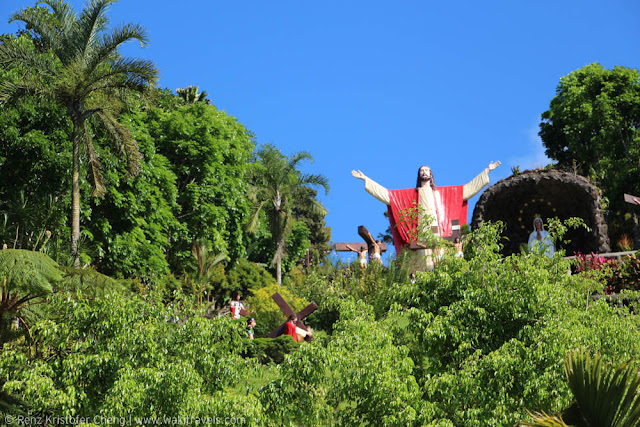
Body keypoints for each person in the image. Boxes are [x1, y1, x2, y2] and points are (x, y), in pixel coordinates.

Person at [352, 162, 500, 268]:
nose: (424, 172)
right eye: (422, 170)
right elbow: (388, 196)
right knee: (423, 255)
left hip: (438, 226)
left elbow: (467, 190)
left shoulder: (444, 194)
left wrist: (486, 171)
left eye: (427, 170)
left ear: (431, 174)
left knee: (438, 251)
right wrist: (367, 180)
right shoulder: (410, 195)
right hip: (421, 228)